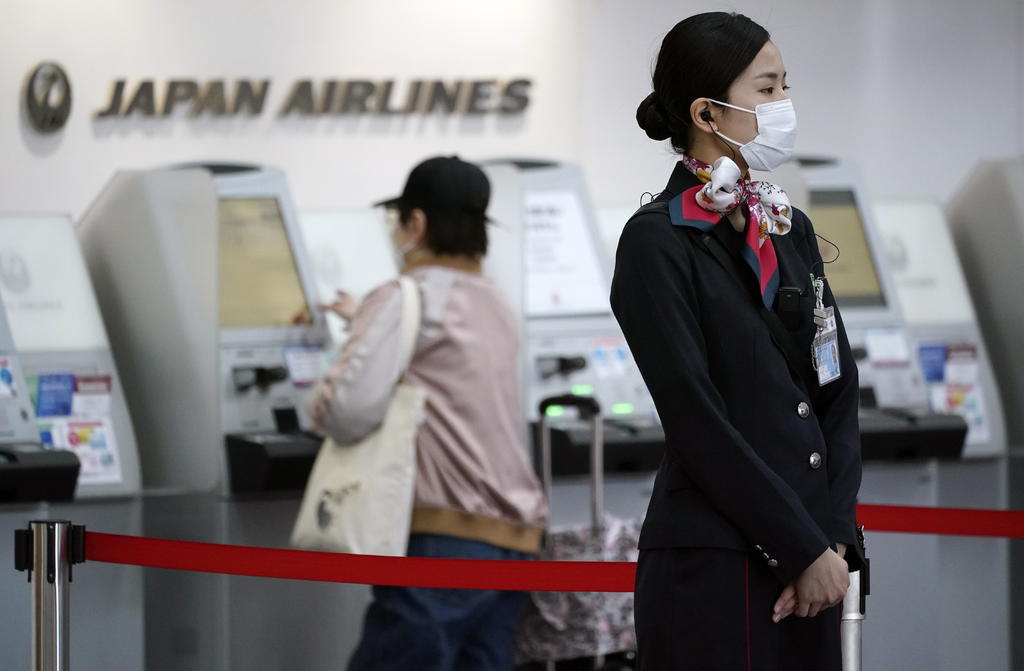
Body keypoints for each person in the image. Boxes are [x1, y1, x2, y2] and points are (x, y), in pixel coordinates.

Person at [610, 12, 864, 670]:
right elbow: (695, 415)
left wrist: (834, 537)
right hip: (717, 562)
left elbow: (835, 386)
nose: (784, 105)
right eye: (767, 89)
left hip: (818, 565)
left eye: (785, 87)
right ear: (707, 112)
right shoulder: (658, 241)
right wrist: (798, 547)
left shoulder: (788, 226)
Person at [308, 156, 547, 671]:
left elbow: (345, 411)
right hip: (516, 537)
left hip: (445, 535)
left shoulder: (403, 296)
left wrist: (319, 389)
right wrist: (365, 319)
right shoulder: (496, 300)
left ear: (415, 224)